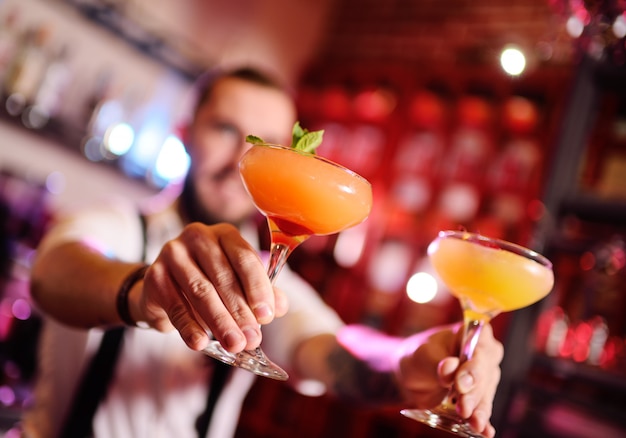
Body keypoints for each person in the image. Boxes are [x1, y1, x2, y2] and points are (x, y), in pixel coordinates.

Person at [22, 67, 503, 438]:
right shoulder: (116, 224)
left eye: (269, 143)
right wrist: (144, 287)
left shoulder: (273, 277)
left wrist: (410, 359)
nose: (239, 159)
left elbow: (331, 349)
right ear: (186, 132)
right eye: (225, 129)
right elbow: (54, 273)